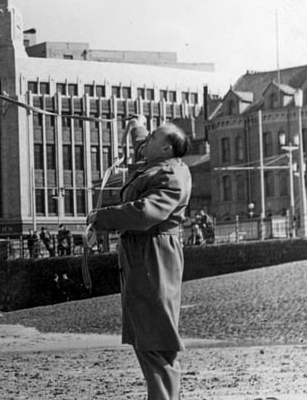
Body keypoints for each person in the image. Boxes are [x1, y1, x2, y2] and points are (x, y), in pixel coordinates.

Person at [86, 117, 192, 400]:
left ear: (167, 149)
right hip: (143, 255)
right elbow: (142, 145)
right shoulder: (159, 165)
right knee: (149, 337)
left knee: (156, 340)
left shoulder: (170, 175)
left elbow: (146, 213)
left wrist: (103, 217)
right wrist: (138, 125)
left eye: (153, 136)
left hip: (154, 256)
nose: (146, 141)